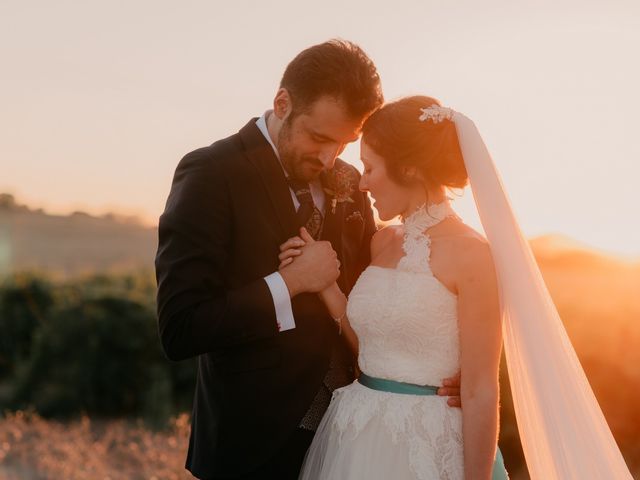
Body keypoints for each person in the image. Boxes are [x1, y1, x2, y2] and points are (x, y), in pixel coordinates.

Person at [155, 41, 463, 480]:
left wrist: (446, 369)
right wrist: (291, 282)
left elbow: (381, 293)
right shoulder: (211, 173)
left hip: (353, 439)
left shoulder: (351, 180)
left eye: (343, 143)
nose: (328, 158)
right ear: (283, 103)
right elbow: (180, 328)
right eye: (319, 138)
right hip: (255, 444)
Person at [289, 96, 634, 479]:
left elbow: (481, 389)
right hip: (356, 433)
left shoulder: (474, 257)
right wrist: (325, 286)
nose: (364, 182)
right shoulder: (382, 241)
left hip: (429, 444)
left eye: (370, 168)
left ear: (409, 169)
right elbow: (374, 346)